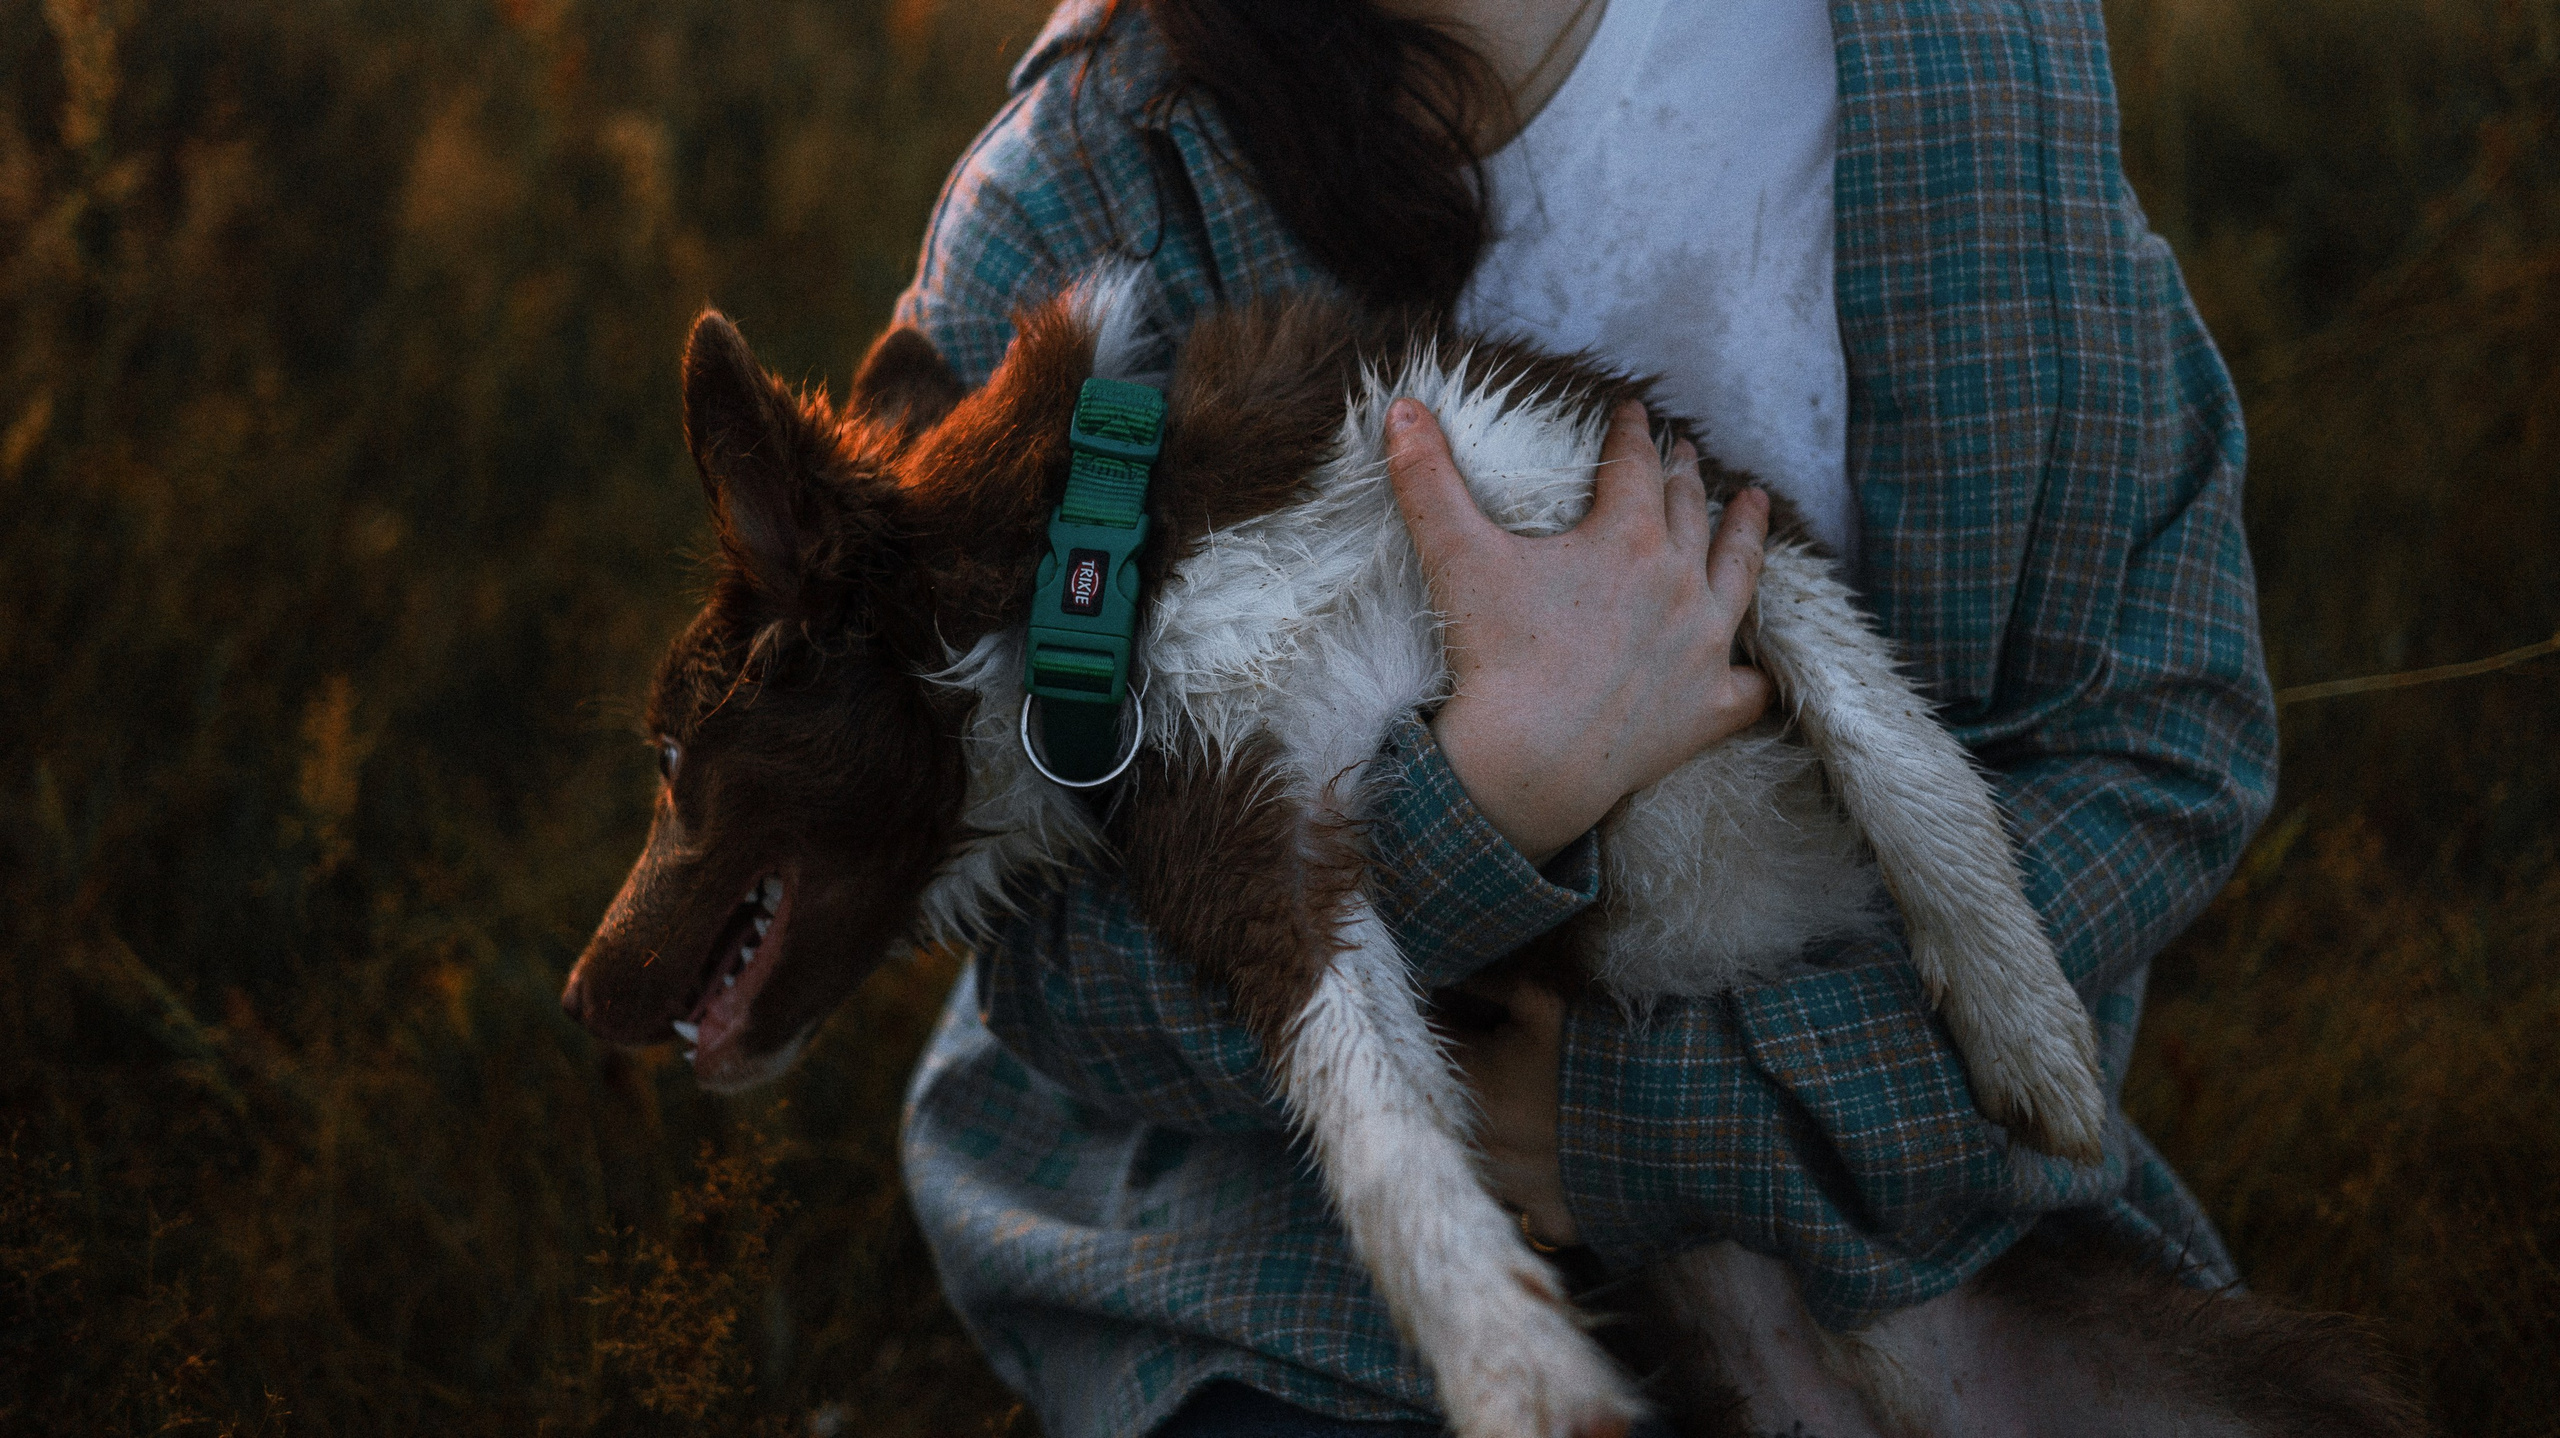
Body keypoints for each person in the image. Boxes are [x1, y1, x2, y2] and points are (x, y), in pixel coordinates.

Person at [891, 1, 2277, 1434]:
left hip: (1866, 1131)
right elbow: (1054, 980)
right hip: (1289, 1229)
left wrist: (1631, 1124)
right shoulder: (1078, 190)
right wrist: (1476, 802)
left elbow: (2162, 737)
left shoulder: (1961, 51)